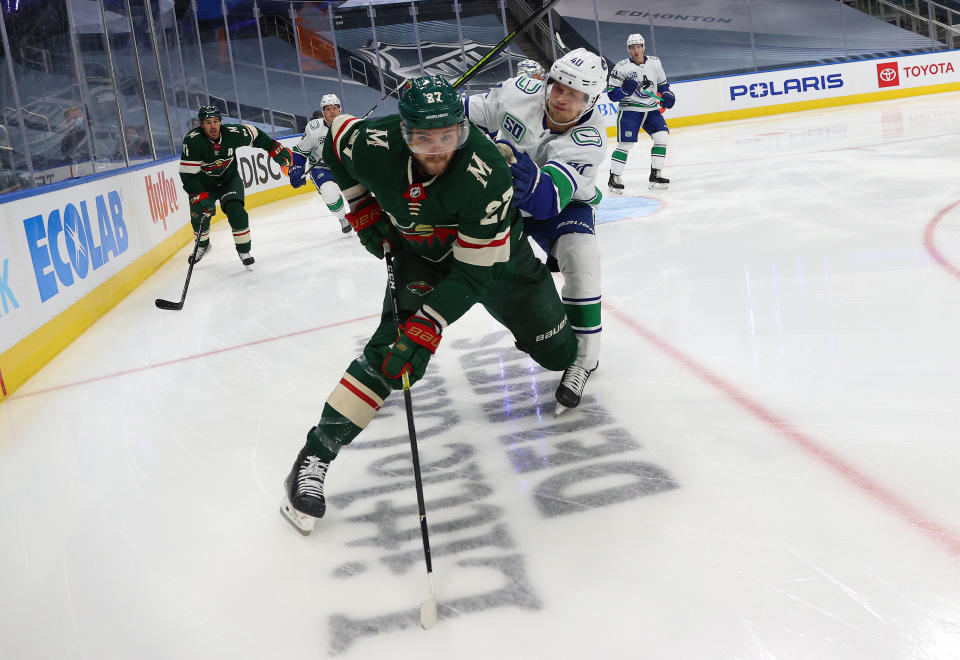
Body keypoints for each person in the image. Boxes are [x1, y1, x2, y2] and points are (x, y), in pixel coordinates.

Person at [280, 75, 577, 534]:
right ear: (403, 133)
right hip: (418, 257)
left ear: (462, 129)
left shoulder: (487, 173)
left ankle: (554, 341)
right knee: (390, 355)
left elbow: (474, 273)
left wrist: (431, 323)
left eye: (448, 136)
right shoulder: (374, 143)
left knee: (560, 354)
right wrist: (361, 208)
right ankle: (315, 455)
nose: (437, 150)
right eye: (423, 138)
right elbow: (335, 144)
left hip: (498, 262)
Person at [464, 48, 608, 414]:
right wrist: (440, 105)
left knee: (582, 258)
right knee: (481, 267)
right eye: (558, 86)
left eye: (573, 94)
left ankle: (583, 361)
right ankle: (534, 328)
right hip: (507, 197)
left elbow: (546, 202)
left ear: (589, 100)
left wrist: (523, 177)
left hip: (560, 202)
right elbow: (470, 111)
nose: (560, 98)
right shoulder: (519, 91)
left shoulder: (590, 139)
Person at [178, 105, 292, 267]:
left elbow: (256, 134)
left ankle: (244, 250)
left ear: (221, 122)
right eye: (208, 122)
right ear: (201, 124)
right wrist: (201, 197)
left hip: (229, 180)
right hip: (203, 185)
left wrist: (275, 149)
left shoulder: (233, 133)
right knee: (200, 216)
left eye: (216, 121)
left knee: (236, 211)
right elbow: (189, 174)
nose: (213, 126)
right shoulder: (193, 140)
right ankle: (202, 245)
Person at [606, 33, 676, 193]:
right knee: (626, 144)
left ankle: (655, 175)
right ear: (628, 50)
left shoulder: (655, 63)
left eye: (638, 47)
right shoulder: (621, 67)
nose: (636, 51)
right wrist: (623, 90)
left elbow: (663, 85)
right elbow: (611, 94)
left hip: (651, 109)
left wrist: (667, 95)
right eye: (632, 48)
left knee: (662, 137)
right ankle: (614, 178)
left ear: (643, 47)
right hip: (630, 110)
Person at [288, 93, 351, 235]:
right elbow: (300, 151)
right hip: (322, 168)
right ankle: (343, 218)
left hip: (346, 167)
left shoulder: (349, 124)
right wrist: (296, 168)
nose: (332, 111)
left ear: (340, 109)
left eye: (335, 108)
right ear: (323, 112)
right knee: (329, 193)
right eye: (328, 109)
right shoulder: (314, 128)